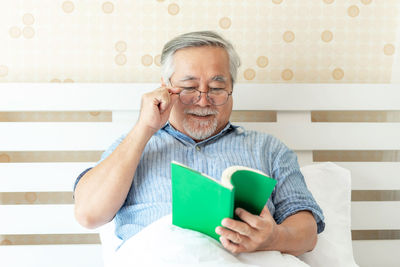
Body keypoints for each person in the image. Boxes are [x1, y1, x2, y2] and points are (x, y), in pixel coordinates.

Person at [73, 31, 325, 256]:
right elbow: (88, 214)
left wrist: (273, 238)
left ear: (232, 89)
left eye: (216, 88)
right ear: (166, 88)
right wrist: (144, 128)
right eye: (189, 87)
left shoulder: (269, 150)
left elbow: (307, 232)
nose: (203, 101)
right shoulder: (132, 146)